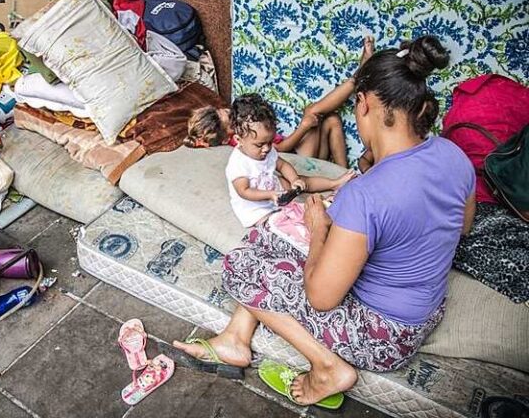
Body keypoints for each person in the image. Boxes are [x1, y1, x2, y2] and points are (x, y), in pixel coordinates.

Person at [173, 35, 476, 406]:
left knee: (239, 265)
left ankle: (328, 367)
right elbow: (461, 226)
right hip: (426, 312)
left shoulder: (366, 194)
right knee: (266, 238)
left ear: (363, 105)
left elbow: (320, 298)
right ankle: (235, 338)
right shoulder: (455, 156)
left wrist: (319, 228)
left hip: (382, 337)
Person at [184, 36, 375, 168]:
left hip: (297, 154)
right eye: (228, 116)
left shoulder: (240, 130)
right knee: (312, 112)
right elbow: (280, 149)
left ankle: (342, 172)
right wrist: (303, 126)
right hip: (294, 161)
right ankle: (359, 76)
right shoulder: (240, 140)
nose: (228, 110)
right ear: (226, 137)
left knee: (331, 119)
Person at [226, 94, 354, 228]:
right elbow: (244, 191)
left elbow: (282, 165)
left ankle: (334, 183)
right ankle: (311, 215)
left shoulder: (267, 150)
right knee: (277, 222)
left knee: (302, 181)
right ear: (238, 140)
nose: (266, 149)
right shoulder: (238, 163)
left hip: (273, 188)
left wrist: (294, 180)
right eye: (260, 145)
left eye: (270, 142)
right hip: (256, 209)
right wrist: (270, 195)